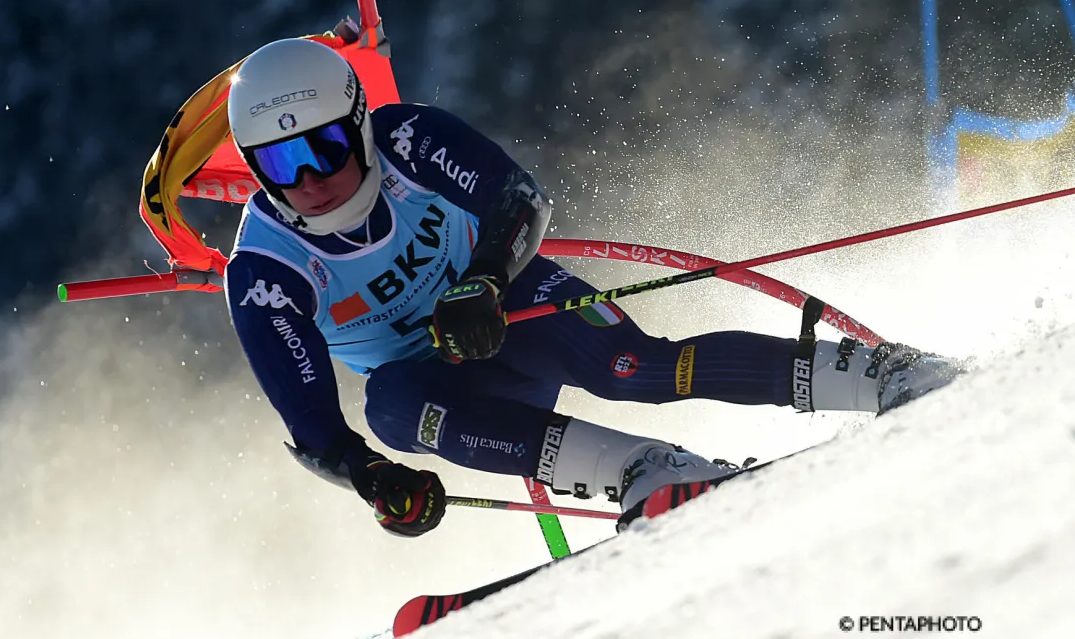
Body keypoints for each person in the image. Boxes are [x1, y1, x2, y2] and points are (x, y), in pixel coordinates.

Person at [222, 33, 963, 538]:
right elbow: (315, 425)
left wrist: (482, 280)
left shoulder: (409, 140)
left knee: (630, 367)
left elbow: (519, 200)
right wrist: (375, 478)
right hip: (451, 391)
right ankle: (645, 469)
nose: (311, 179)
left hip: (509, 305)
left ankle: (877, 374)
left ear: (356, 124)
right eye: (281, 164)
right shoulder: (264, 271)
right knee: (388, 408)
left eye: (323, 147)